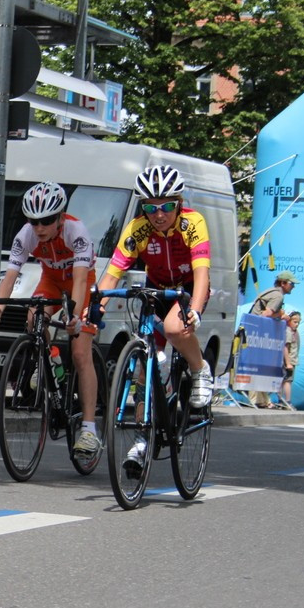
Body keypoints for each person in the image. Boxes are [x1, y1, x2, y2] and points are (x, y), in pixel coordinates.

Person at [95, 164, 213, 476]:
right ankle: (141, 441)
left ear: (178, 202)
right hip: (156, 289)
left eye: (166, 207)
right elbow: (113, 273)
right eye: (150, 207)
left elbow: (202, 273)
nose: (158, 214)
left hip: (187, 289)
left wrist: (196, 310)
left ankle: (200, 369)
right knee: (141, 370)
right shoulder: (138, 228)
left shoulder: (193, 223)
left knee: (175, 327)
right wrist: (96, 304)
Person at [0, 182, 101, 462]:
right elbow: (9, 278)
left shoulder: (76, 231)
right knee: (33, 317)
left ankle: (89, 429)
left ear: (60, 217)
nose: (39, 227)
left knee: (81, 353)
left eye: (46, 221)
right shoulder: (26, 236)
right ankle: (51, 360)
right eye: (34, 221)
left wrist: (75, 317)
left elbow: (80, 280)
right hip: (52, 282)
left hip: (82, 284)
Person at [248, 270, 299, 407]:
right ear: (283, 283)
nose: (293, 287)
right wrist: (280, 316)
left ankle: (263, 400)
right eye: (291, 284)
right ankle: (258, 400)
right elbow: (265, 315)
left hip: (253, 332)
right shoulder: (278, 296)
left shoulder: (270, 291)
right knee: (259, 367)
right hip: (258, 335)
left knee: (259, 368)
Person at [280, 311, 300, 410]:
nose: (296, 324)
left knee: (284, 380)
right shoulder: (288, 332)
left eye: (298, 322)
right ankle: (287, 401)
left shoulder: (294, 332)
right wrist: (288, 363)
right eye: (295, 322)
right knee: (287, 381)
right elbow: (285, 348)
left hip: (291, 360)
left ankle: (281, 401)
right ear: (289, 321)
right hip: (289, 361)